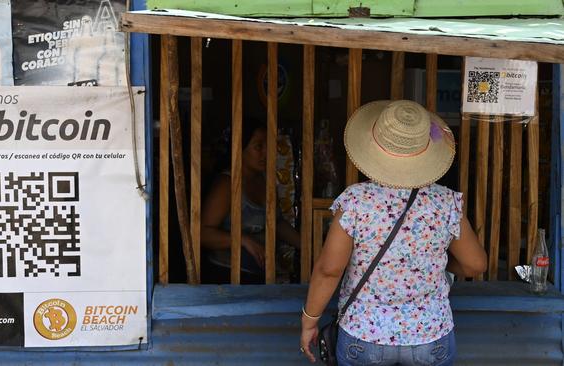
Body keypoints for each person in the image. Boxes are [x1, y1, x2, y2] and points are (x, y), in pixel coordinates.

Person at [299, 100, 487, 365]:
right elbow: (475, 263)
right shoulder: (446, 203)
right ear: (425, 152)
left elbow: (329, 270)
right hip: (430, 335)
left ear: (374, 147)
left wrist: (309, 321)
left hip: (364, 334)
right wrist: (439, 264)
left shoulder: (356, 201)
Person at [201, 119, 301, 284]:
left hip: (260, 276)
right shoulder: (227, 185)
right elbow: (202, 234)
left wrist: (308, 248)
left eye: (268, 146)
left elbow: (276, 223)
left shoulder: (266, 181)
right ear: (239, 148)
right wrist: (243, 240)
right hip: (226, 277)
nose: (266, 153)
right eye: (258, 146)